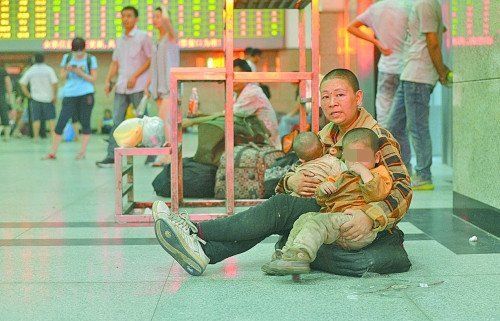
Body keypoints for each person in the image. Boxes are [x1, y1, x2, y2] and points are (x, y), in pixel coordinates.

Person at [151, 68, 413, 277]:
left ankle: (196, 231)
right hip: (326, 212)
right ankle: (205, 252)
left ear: (357, 98)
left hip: (355, 219)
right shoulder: (324, 137)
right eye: (325, 97)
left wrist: (371, 217)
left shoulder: (374, 138)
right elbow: (284, 181)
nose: (332, 103)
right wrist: (293, 180)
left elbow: (402, 188)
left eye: (340, 95)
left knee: (281, 210)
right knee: (283, 205)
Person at [263, 128, 393, 275]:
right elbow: (321, 199)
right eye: (352, 157)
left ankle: (301, 257)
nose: (356, 162)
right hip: (336, 224)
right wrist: (323, 189)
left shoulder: (378, 173)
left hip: (358, 227)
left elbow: (377, 194)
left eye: (361, 156)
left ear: (376, 157)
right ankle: (287, 254)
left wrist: (364, 172)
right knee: (305, 218)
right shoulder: (342, 175)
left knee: (318, 222)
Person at [387, 0, 451, 190]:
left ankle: (424, 174)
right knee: (394, 126)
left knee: (417, 127)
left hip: (419, 75)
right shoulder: (422, 4)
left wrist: (441, 71)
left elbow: (433, 42)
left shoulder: (426, 3)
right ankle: (404, 170)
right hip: (409, 73)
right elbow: (441, 30)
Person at [96, 5, 152, 167]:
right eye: (123, 16)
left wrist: (135, 76)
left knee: (143, 120)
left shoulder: (143, 37)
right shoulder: (120, 40)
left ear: (136, 19)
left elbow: (150, 60)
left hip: (138, 86)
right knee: (117, 120)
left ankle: (153, 153)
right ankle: (111, 155)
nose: (125, 19)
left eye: (129, 16)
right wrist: (108, 80)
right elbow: (115, 62)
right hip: (121, 86)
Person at [347, 0, 411, 127]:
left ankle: (385, 144)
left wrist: (377, 42)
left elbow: (351, 27)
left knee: (383, 112)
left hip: (387, 67)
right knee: (405, 114)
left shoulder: (375, 9)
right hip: (407, 67)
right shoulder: (407, 6)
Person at [44, 37, 98, 160]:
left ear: (84, 49)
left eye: (80, 51)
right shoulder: (67, 58)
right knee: (61, 122)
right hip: (69, 94)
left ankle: (82, 152)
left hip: (86, 94)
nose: (78, 54)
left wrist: (81, 73)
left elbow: (94, 79)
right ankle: (53, 152)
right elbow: (62, 76)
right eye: (76, 52)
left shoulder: (91, 59)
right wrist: (68, 70)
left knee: (85, 122)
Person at [144, 6, 180, 166]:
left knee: (164, 120)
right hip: (158, 87)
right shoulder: (156, 41)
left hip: (170, 87)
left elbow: (166, 20)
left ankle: (167, 155)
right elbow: (153, 65)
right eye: (154, 16)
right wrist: (147, 84)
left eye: (158, 16)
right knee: (166, 121)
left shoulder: (172, 38)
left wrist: (164, 8)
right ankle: (168, 155)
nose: (155, 19)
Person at [232, 58, 280, 149]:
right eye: (232, 75)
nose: (234, 80)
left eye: (238, 75)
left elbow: (232, 114)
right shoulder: (236, 94)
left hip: (267, 145)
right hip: (255, 141)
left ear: (247, 76)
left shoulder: (252, 92)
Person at [286, 131, 346, 197]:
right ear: (323, 145)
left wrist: (289, 180)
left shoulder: (300, 166)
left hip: (298, 197)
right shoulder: (332, 160)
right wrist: (289, 181)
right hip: (321, 196)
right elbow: (343, 174)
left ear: (301, 159)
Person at [19, 53, 58, 142]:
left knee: (36, 119)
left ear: (34, 60)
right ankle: (53, 137)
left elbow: (22, 83)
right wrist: (54, 95)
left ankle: (36, 138)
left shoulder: (31, 70)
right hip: (48, 98)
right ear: (44, 59)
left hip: (35, 98)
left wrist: (28, 94)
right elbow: (55, 83)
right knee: (51, 118)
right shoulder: (49, 70)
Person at [0, 65, 13, 141]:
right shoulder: (2, 70)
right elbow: (8, 83)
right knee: (4, 115)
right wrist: (10, 96)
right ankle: (6, 136)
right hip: (1, 96)